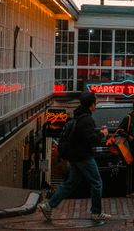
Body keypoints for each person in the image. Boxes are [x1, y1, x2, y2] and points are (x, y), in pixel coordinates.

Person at [39, 91, 111, 222]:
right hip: (83, 156)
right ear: (91, 105)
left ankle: (49, 206)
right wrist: (103, 134)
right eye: (95, 102)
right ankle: (96, 212)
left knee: (70, 183)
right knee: (97, 182)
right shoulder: (87, 119)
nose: (97, 104)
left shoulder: (78, 116)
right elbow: (91, 139)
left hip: (74, 156)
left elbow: (83, 134)